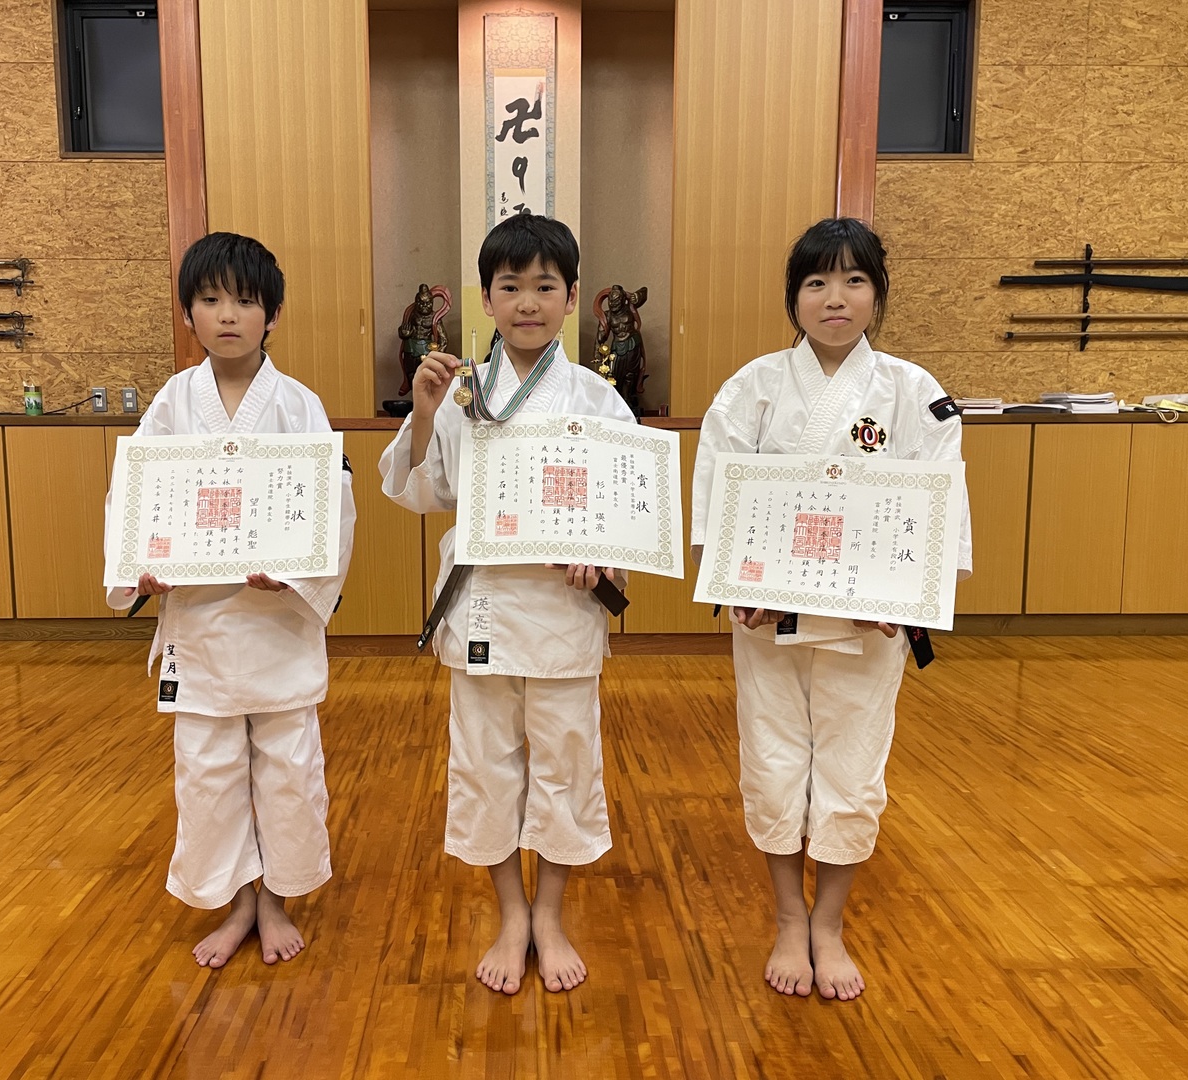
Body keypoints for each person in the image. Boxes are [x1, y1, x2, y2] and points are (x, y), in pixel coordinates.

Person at [691, 217, 972, 1001]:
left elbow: (939, 505)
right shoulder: (751, 388)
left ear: (878, 294)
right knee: (773, 761)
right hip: (769, 618)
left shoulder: (914, 393)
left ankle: (829, 924)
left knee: (853, 767)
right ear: (795, 299)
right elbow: (718, 494)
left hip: (868, 621)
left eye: (854, 280)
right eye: (816, 282)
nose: (835, 298)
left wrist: (909, 594)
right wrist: (733, 581)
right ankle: (789, 917)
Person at [379, 213, 634, 995]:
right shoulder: (460, 392)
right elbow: (419, 491)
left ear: (572, 298)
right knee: (486, 767)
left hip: (562, 609)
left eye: (545, 287)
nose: (528, 302)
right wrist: (424, 411)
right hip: (485, 606)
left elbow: (631, 507)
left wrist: (603, 557)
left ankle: (550, 914)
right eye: (510, 287)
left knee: (565, 765)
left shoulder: (598, 398)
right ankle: (511, 913)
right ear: (484, 300)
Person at [104, 232, 356, 969]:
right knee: (208, 775)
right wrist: (141, 567)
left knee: (288, 770)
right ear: (188, 312)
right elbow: (134, 495)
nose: (227, 315)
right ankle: (238, 900)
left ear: (271, 315)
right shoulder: (171, 403)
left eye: (245, 301)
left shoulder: (299, 405)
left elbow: (332, 502)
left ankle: (276, 900)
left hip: (274, 620)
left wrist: (299, 574)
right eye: (210, 300)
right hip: (201, 625)